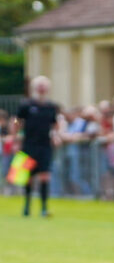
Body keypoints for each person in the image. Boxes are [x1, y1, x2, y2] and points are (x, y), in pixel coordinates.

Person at [15, 76, 60, 217]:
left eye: (44, 86)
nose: (42, 88)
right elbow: (17, 120)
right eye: (39, 85)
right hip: (28, 144)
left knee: (45, 176)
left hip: (45, 145)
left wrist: (56, 135)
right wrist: (16, 137)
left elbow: (55, 124)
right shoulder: (26, 105)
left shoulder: (51, 107)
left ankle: (44, 208)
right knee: (26, 176)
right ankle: (27, 206)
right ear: (35, 88)